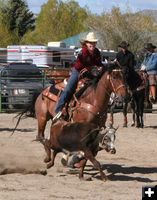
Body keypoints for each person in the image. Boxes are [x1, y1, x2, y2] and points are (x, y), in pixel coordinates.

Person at [53, 32, 103, 121]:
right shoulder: (83, 51)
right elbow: (81, 64)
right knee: (69, 89)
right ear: (86, 43)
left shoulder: (97, 52)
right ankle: (58, 110)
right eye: (90, 43)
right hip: (78, 71)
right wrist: (92, 67)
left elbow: (99, 63)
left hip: (91, 73)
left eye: (94, 43)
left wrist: (102, 67)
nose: (92, 44)